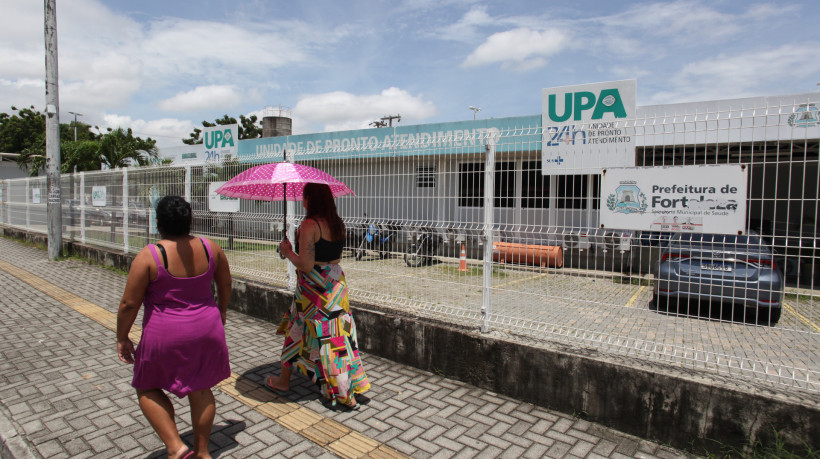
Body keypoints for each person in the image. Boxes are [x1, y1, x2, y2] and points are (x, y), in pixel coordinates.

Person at [117, 195, 232, 459]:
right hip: (207, 328)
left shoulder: (150, 255)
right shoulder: (210, 248)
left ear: (158, 223)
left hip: (164, 334)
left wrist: (122, 337)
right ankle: (202, 453)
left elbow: (128, 304)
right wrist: (222, 311)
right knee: (201, 388)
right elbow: (225, 284)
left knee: (146, 385)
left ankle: (176, 447)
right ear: (189, 220)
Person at [266, 182, 370, 409]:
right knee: (338, 338)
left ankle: (342, 393)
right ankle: (343, 385)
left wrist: (287, 251)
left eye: (304, 197)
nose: (302, 201)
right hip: (336, 285)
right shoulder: (338, 224)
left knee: (302, 332)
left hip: (313, 290)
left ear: (311, 200)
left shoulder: (309, 225)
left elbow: (305, 264)